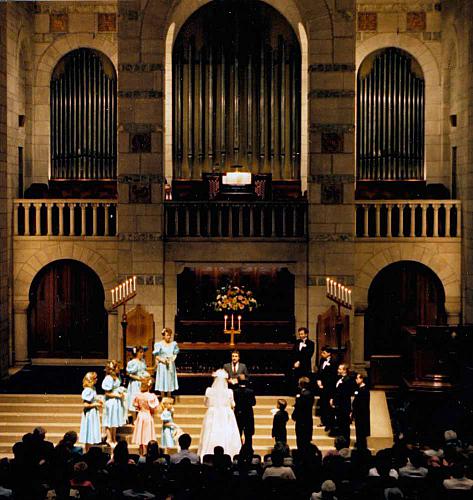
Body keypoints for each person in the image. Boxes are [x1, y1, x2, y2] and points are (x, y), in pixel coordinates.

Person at [198, 368, 242, 459]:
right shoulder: (229, 392)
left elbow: (205, 404)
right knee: (227, 432)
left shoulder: (209, 391)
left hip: (212, 413)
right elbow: (233, 404)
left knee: (211, 432)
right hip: (226, 414)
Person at [102, 360, 126, 445]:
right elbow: (107, 393)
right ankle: (109, 438)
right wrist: (117, 395)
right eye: (117, 367)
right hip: (111, 402)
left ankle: (114, 438)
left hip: (116, 402)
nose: (119, 369)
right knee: (109, 420)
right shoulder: (108, 378)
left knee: (114, 420)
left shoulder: (116, 376)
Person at [132, 378, 159, 456]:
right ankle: (146, 453)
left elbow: (136, 407)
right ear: (150, 387)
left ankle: (141, 453)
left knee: (141, 435)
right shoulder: (151, 396)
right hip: (147, 416)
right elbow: (153, 408)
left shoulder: (138, 396)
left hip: (140, 416)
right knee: (147, 435)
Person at [79, 372, 102, 452]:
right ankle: (87, 451)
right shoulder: (88, 390)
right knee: (89, 433)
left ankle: (89, 451)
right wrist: (96, 404)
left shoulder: (93, 388)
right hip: (89, 414)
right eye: (95, 378)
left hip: (93, 412)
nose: (97, 380)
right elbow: (85, 404)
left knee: (91, 433)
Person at [315, 346, 337, 431]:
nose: (322, 354)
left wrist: (325, 385)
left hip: (329, 387)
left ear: (329, 353)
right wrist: (319, 380)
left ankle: (329, 423)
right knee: (323, 404)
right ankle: (323, 421)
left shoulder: (334, 362)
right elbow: (319, 372)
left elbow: (333, 376)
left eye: (324, 353)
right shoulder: (321, 360)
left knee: (329, 405)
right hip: (322, 386)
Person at [330, 363, 353, 445]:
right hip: (340, 406)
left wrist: (336, 402)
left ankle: (346, 443)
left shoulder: (347, 380)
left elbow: (343, 394)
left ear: (344, 370)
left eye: (340, 369)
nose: (338, 370)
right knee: (341, 425)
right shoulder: (340, 379)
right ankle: (341, 442)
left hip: (344, 406)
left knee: (345, 426)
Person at [153, 328, 179, 398]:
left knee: (170, 379)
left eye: (170, 335)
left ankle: (169, 396)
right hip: (162, 365)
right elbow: (157, 356)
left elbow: (175, 353)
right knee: (163, 379)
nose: (169, 337)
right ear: (163, 335)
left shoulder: (173, 344)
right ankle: (163, 397)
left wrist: (173, 359)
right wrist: (163, 360)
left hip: (170, 364)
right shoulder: (159, 344)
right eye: (167, 335)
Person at [233, 374, 256, 448]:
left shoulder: (235, 391)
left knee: (238, 433)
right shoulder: (250, 391)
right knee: (248, 434)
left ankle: (238, 449)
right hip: (248, 414)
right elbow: (253, 403)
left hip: (238, 414)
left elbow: (234, 403)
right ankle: (249, 449)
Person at [126, 346, 150, 420]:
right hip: (135, 383)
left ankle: (141, 417)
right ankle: (134, 419)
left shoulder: (142, 361)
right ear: (136, 353)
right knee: (135, 399)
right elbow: (129, 374)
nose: (142, 354)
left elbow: (144, 371)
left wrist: (146, 378)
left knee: (142, 399)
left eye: (143, 352)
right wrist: (138, 378)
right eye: (140, 352)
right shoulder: (132, 362)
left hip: (142, 383)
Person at [292, 376, 314, 450]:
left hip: (302, 421)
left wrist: (294, 416)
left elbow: (299, 407)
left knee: (301, 440)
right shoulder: (310, 393)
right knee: (305, 440)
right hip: (307, 420)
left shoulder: (303, 395)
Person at [351, 372, 370, 449]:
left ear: (362, 379)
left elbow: (362, 404)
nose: (356, 379)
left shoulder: (365, 390)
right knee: (358, 430)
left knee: (361, 431)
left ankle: (361, 446)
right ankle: (359, 444)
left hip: (362, 414)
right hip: (358, 414)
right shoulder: (359, 388)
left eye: (358, 378)